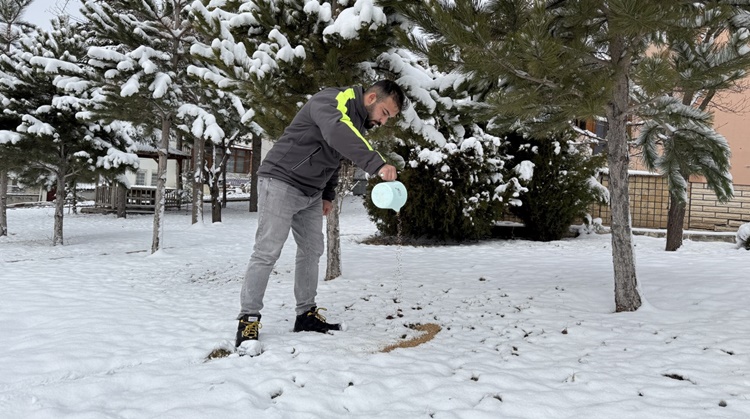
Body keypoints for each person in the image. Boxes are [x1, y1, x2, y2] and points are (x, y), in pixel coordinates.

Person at [235, 80, 408, 349]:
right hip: (281, 181)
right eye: (385, 113)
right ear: (372, 97)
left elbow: (334, 157)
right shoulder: (331, 100)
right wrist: (376, 163)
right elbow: (336, 134)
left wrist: (327, 194)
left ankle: (305, 315)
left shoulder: (356, 121)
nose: (384, 122)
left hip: (312, 193)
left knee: (312, 250)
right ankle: (248, 319)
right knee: (267, 251)